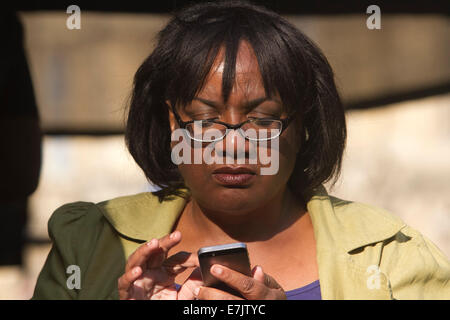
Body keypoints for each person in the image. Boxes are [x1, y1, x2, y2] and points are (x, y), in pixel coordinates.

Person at [32, 1, 449, 300]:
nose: (233, 145)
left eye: (262, 120)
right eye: (205, 119)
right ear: (173, 122)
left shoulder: (392, 254)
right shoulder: (88, 244)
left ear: (303, 124)